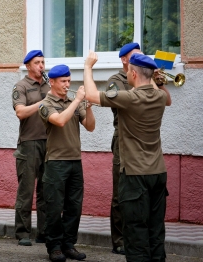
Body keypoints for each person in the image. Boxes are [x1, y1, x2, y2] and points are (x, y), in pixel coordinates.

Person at [84, 51, 171, 262]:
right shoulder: (160, 97)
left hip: (135, 175)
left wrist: (87, 67)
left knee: (135, 232)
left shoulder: (130, 98)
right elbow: (165, 95)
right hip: (158, 173)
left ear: (132, 74)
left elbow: (92, 96)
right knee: (155, 230)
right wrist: (155, 77)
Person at [38, 64, 95, 262]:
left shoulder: (74, 101)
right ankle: (54, 246)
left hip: (75, 160)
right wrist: (78, 100)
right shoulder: (45, 104)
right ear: (52, 82)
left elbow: (90, 127)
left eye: (69, 81)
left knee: (74, 206)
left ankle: (69, 244)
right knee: (54, 207)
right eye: (63, 81)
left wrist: (87, 106)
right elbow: (60, 120)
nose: (67, 84)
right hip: (55, 162)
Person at [106, 42, 142, 255]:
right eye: (135, 56)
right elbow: (119, 103)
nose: (139, 58)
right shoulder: (115, 81)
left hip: (143, 139)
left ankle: (136, 237)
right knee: (121, 192)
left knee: (141, 191)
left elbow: (164, 101)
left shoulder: (145, 79)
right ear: (124, 60)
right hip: (123, 139)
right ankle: (119, 240)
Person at [12, 50, 50, 246]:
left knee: (46, 190)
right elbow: (21, 112)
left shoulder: (49, 84)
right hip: (29, 142)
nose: (41, 66)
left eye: (43, 62)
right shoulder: (22, 86)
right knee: (26, 190)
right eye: (37, 63)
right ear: (28, 66)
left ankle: (43, 232)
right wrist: (44, 101)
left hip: (49, 142)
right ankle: (22, 232)